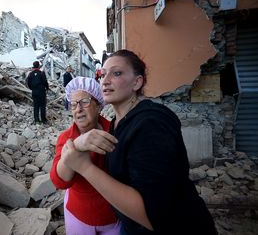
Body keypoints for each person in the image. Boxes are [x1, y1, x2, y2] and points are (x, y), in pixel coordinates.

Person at [60, 50, 217, 234]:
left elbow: (153, 215)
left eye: (117, 73)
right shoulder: (117, 124)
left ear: (137, 82)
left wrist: (85, 168)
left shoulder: (151, 123)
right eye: (103, 74)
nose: (105, 80)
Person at [50, 76, 121, 235]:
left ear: (98, 105)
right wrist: (76, 146)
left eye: (85, 102)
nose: (78, 109)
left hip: (113, 216)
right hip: (79, 214)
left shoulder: (115, 133)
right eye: (73, 104)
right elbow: (59, 181)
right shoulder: (66, 138)